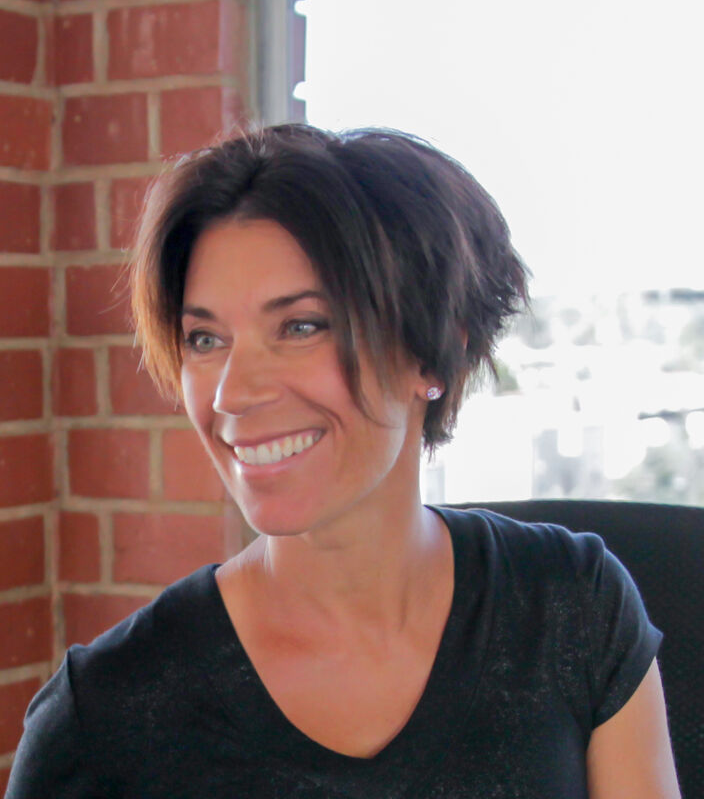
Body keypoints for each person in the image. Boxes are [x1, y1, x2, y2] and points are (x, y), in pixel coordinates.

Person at [6, 124, 680, 798]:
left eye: (301, 326)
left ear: (433, 353)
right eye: (206, 339)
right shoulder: (98, 722)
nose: (233, 393)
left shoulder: (572, 608)